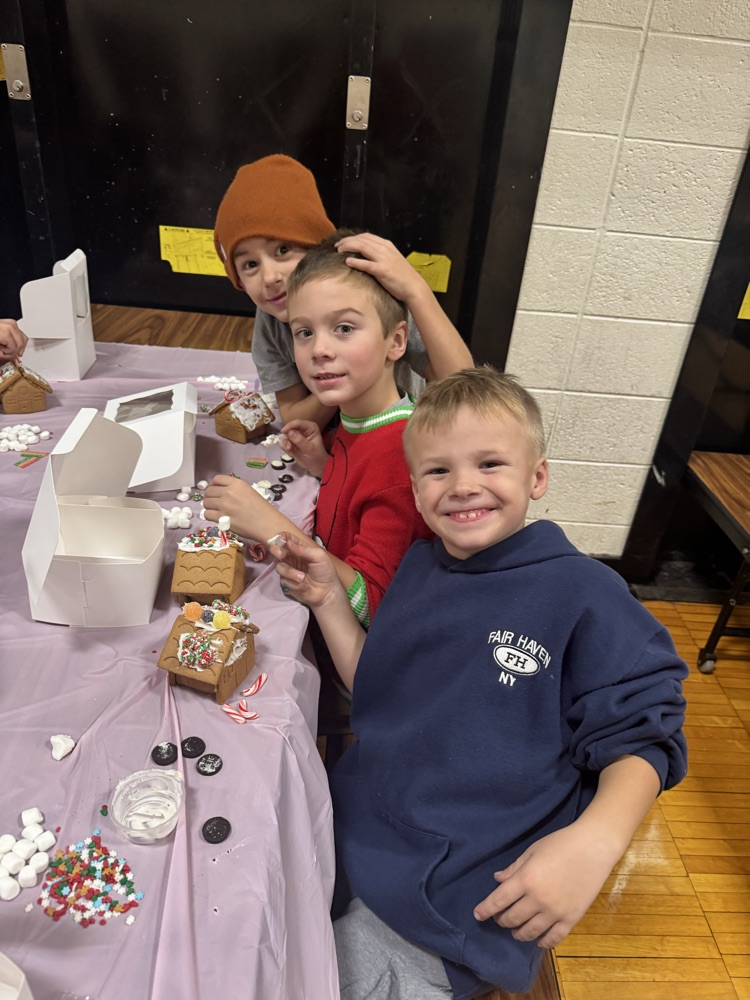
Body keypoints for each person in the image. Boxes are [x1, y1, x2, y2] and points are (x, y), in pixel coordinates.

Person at [271, 365, 689, 999]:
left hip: (448, 895)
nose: (464, 487)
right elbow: (382, 688)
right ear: (414, 490)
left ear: (537, 477)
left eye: (490, 464)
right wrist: (330, 600)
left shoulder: (583, 592)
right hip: (357, 826)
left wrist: (595, 841)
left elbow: (645, 731)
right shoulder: (421, 565)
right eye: (439, 471)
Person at [204, 230, 434, 627]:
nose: (320, 350)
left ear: (396, 341)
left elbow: (371, 605)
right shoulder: (356, 418)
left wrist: (272, 528)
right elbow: (360, 499)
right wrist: (323, 464)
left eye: (344, 328)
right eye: (304, 332)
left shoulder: (400, 454)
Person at [213, 153, 473, 428]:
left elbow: (462, 383)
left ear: (316, 246)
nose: (270, 277)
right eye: (250, 264)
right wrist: (338, 379)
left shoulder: (369, 291)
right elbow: (294, 417)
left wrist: (415, 289)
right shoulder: (270, 323)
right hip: (338, 441)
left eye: (283, 250)